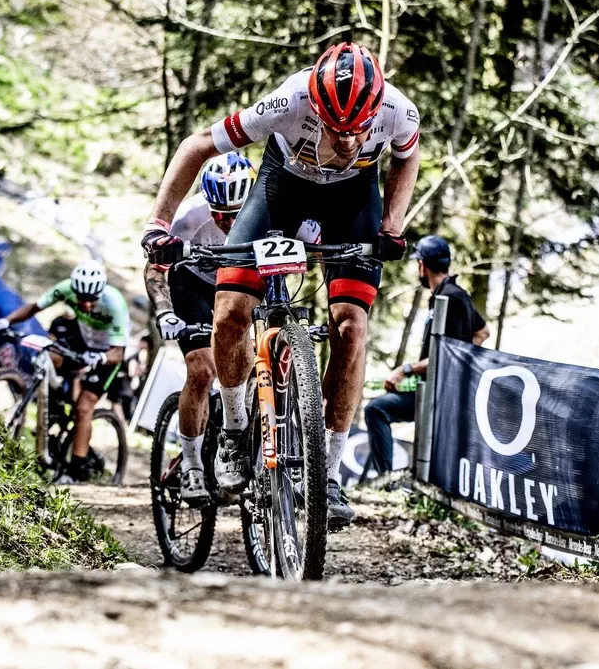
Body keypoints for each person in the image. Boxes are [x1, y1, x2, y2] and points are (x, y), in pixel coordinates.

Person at [142, 41, 421, 529]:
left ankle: (328, 473)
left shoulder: (400, 111)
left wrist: (393, 224)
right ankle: (233, 428)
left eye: (358, 131)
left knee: (352, 329)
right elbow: (195, 146)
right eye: (336, 130)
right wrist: (159, 223)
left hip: (353, 202)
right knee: (229, 313)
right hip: (282, 191)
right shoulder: (287, 101)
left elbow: (406, 160)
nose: (348, 142)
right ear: (315, 105)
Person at [143, 153, 257, 506]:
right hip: (192, 284)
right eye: (219, 214)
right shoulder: (190, 215)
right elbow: (155, 268)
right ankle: (191, 463)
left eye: (235, 214)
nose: (226, 223)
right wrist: (164, 312)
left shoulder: (268, 210)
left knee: (252, 365)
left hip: (239, 286)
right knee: (203, 370)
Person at [0, 260, 129, 483]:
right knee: (48, 356)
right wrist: (6, 320)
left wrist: (101, 357)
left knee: (83, 408)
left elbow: (119, 353)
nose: (85, 305)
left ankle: (76, 470)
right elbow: (34, 307)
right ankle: (53, 404)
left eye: (91, 300)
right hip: (82, 342)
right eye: (81, 299)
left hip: (107, 354)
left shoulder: (114, 303)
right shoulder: (66, 288)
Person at [364, 235, 489, 475]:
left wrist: (405, 370)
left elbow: (444, 357)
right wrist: (462, 361)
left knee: (375, 410)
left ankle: (386, 479)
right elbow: (482, 332)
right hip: (436, 389)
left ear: (422, 265)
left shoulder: (448, 298)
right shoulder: (455, 293)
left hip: (441, 395)